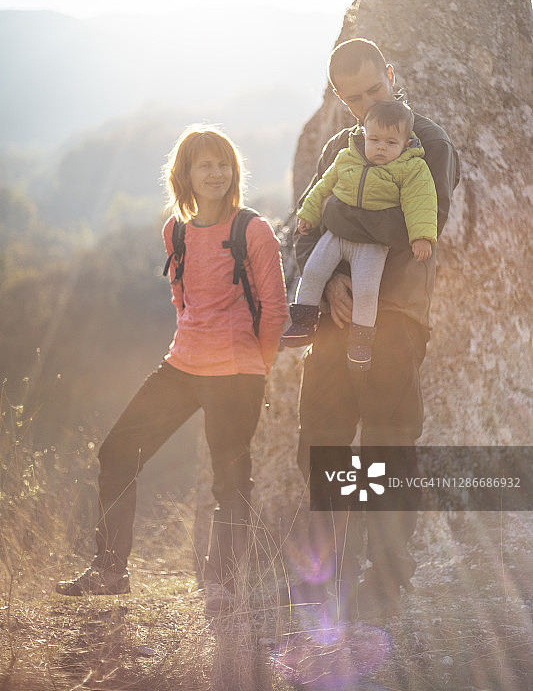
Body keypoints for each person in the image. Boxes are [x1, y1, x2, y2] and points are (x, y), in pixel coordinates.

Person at [55, 125, 288, 616]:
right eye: (205, 165)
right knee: (118, 452)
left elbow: (275, 310)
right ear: (185, 174)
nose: (217, 173)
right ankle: (109, 571)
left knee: (230, 482)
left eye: (224, 164)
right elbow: (181, 296)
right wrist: (191, 340)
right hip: (181, 365)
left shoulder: (253, 230)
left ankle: (222, 585)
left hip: (237, 373)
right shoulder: (176, 230)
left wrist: (256, 369)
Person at [294, 38, 459, 620]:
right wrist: (333, 283)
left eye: (375, 91)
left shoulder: (430, 143)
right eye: (353, 99)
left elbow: (410, 226)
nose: (366, 108)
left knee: (387, 448)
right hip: (337, 321)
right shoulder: (342, 147)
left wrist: (341, 217)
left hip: (395, 319)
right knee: (321, 440)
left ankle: (383, 585)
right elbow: (307, 223)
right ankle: (325, 571)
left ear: (391, 75)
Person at [281, 99, 437, 370]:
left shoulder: (411, 169)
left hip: (371, 245)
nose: (381, 148)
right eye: (375, 139)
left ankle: (361, 341)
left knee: (366, 290)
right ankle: (304, 321)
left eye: (391, 143)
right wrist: (308, 215)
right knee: (315, 271)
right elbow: (321, 187)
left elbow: (421, 202)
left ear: (405, 143)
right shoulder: (347, 157)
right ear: (364, 134)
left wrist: (421, 236)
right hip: (335, 236)